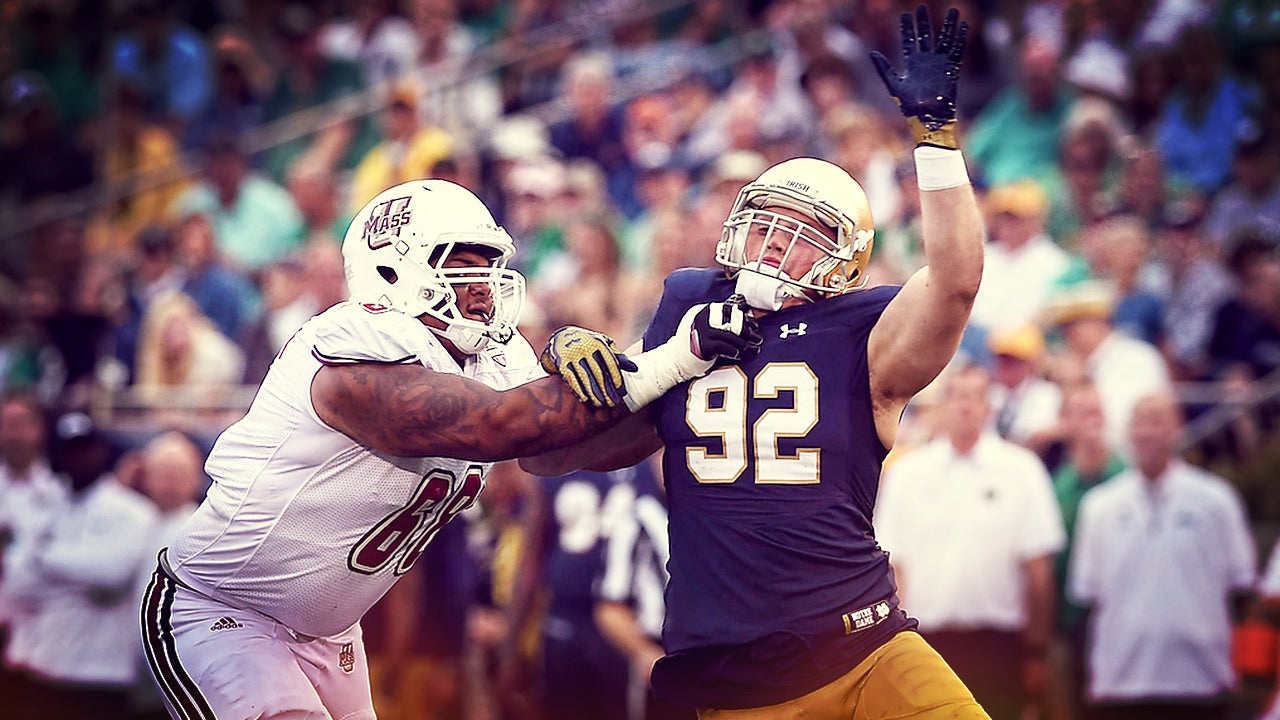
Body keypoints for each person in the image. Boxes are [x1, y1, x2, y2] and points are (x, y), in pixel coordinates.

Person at [138, 178, 761, 720]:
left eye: (491, 265)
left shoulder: (493, 353)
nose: (486, 286)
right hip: (224, 609)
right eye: (463, 265)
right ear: (393, 271)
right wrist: (674, 356)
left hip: (329, 630)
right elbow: (495, 426)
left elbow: (561, 452)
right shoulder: (351, 343)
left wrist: (684, 388)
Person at [526, 6, 989, 717]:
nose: (775, 243)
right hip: (741, 673)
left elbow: (955, 282)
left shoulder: (861, 326)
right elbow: (561, 453)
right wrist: (573, 363)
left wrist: (933, 139)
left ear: (845, 262)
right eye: (766, 222)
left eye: (802, 233)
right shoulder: (689, 300)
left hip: (867, 641)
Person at [875, 364, 1065, 720]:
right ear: (942, 405)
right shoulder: (907, 474)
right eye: (957, 395)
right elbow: (895, 570)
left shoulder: (1023, 470)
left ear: (989, 406)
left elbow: (1038, 571)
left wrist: (1036, 651)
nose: (966, 406)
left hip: (1000, 644)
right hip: (926, 644)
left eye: (976, 396)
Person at [1068, 392, 1256, 720]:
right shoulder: (1098, 506)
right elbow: (1086, 592)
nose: (1145, 433)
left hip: (1200, 683)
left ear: (1178, 428)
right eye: (1138, 421)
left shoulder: (1216, 501)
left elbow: (1241, 582)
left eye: (1156, 421)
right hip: (1119, 683)